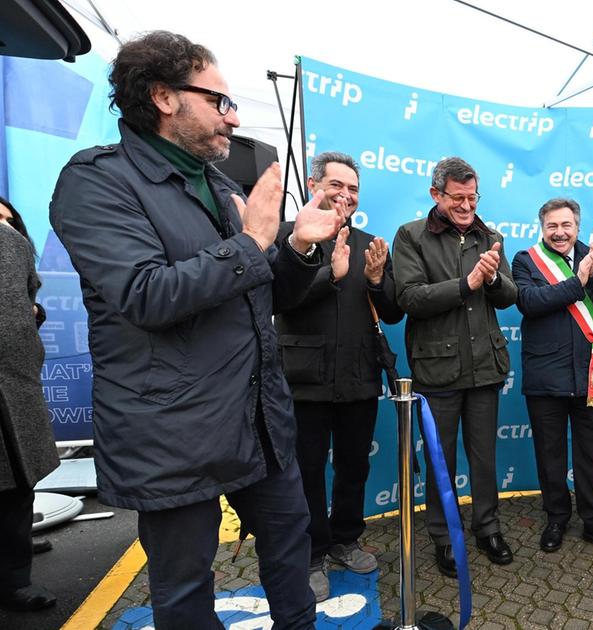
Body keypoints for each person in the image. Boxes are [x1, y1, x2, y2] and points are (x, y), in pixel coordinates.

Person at [49, 31, 344, 628]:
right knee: (184, 592)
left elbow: (268, 294)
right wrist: (255, 240)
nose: (231, 119)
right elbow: (145, 295)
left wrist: (301, 250)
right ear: (163, 96)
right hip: (172, 434)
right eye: (219, 101)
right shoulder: (97, 182)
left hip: (260, 421)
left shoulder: (221, 184)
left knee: (291, 552)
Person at [274, 151, 404, 601]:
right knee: (307, 470)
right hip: (303, 380)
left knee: (354, 465)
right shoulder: (289, 238)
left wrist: (373, 278)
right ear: (314, 185)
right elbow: (279, 301)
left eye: (352, 188)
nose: (345, 195)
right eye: (336, 185)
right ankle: (312, 552)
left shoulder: (371, 243)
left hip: (358, 377)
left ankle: (346, 539)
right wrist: (330, 272)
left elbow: (390, 309)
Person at [392, 157, 518, 578]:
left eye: (472, 197)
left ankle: (488, 529)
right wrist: (467, 284)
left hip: (485, 368)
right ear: (436, 195)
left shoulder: (491, 237)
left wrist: (494, 279)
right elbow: (409, 297)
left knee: (484, 458)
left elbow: (508, 296)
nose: (466, 206)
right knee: (441, 461)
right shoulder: (410, 236)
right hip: (438, 370)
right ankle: (445, 539)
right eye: (457, 198)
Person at [512, 198, 593, 556]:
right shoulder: (526, 260)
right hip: (545, 376)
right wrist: (578, 281)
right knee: (550, 455)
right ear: (542, 227)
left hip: (589, 376)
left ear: (577, 227)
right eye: (553, 226)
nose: (560, 232)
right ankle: (556, 519)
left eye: (566, 226)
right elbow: (530, 302)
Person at [0, 197, 60, 612]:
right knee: (11, 486)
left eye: (7, 220)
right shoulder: (9, 245)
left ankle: (12, 559)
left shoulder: (14, 247)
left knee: (17, 487)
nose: (4, 226)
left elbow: (20, 310)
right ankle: (12, 577)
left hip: (13, 387)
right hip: (9, 385)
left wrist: (33, 313)